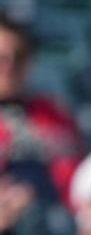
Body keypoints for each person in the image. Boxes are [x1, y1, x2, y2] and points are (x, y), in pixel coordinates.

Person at [0, 11, 83, 206]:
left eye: (18, 57)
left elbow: (76, 185)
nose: (9, 66)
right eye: (1, 57)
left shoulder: (55, 114)